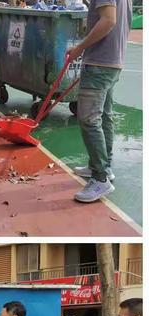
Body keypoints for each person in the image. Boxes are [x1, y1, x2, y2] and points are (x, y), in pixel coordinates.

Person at [67, 0, 132, 203]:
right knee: (104, 115)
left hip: (99, 62)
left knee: (88, 119)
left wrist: (80, 47)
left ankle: (100, 178)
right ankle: (103, 166)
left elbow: (109, 20)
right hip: (113, 61)